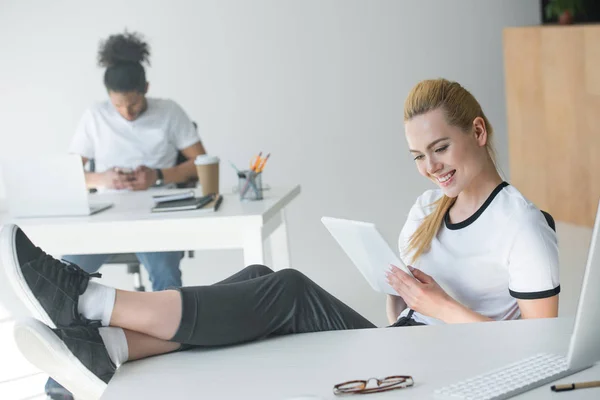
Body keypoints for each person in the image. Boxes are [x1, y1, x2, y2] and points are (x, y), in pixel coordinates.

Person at [4, 78, 560, 399]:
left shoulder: (522, 227)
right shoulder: (426, 207)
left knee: (288, 290)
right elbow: (400, 312)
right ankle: (108, 349)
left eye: (440, 148)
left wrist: (438, 304)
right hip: (407, 341)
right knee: (258, 280)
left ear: (479, 132)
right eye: (419, 155)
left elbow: (541, 351)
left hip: (450, 365)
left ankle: (95, 302)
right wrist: (397, 292)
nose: (430, 167)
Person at [44, 31, 206, 399]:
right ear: (108, 98)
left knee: (166, 281)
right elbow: (69, 174)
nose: (127, 113)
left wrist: (158, 175)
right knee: (67, 279)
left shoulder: (169, 111)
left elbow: (200, 163)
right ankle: (61, 382)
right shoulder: (94, 116)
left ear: (146, 88)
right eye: (119, 106)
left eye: (133, 105)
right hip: (106, 214)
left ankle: (177, 371)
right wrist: (103, 177)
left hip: (156, 211)